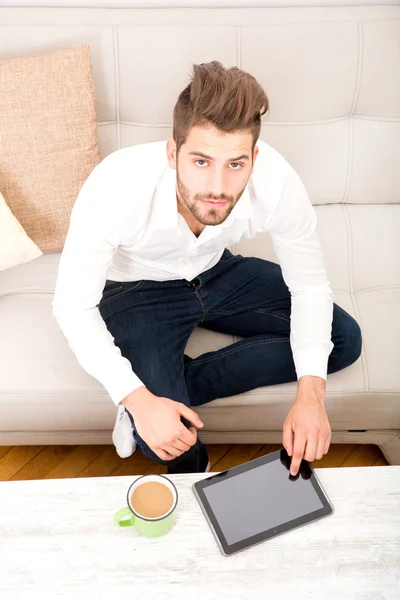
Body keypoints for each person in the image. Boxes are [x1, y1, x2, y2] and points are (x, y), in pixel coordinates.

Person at [52, 61, 362, 477]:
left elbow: (309, 287)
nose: (217, 186)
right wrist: (139, 399)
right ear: (172, 152)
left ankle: (182, 385)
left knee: (342, 340)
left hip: (217, 272)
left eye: (235, 164)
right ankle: (170, 425)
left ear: (253, 157)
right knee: (164, 441)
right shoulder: (115, 186)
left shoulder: (277, 181)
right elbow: (72, 307)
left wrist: (312, 396)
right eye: (201, 161)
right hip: (136, 291)